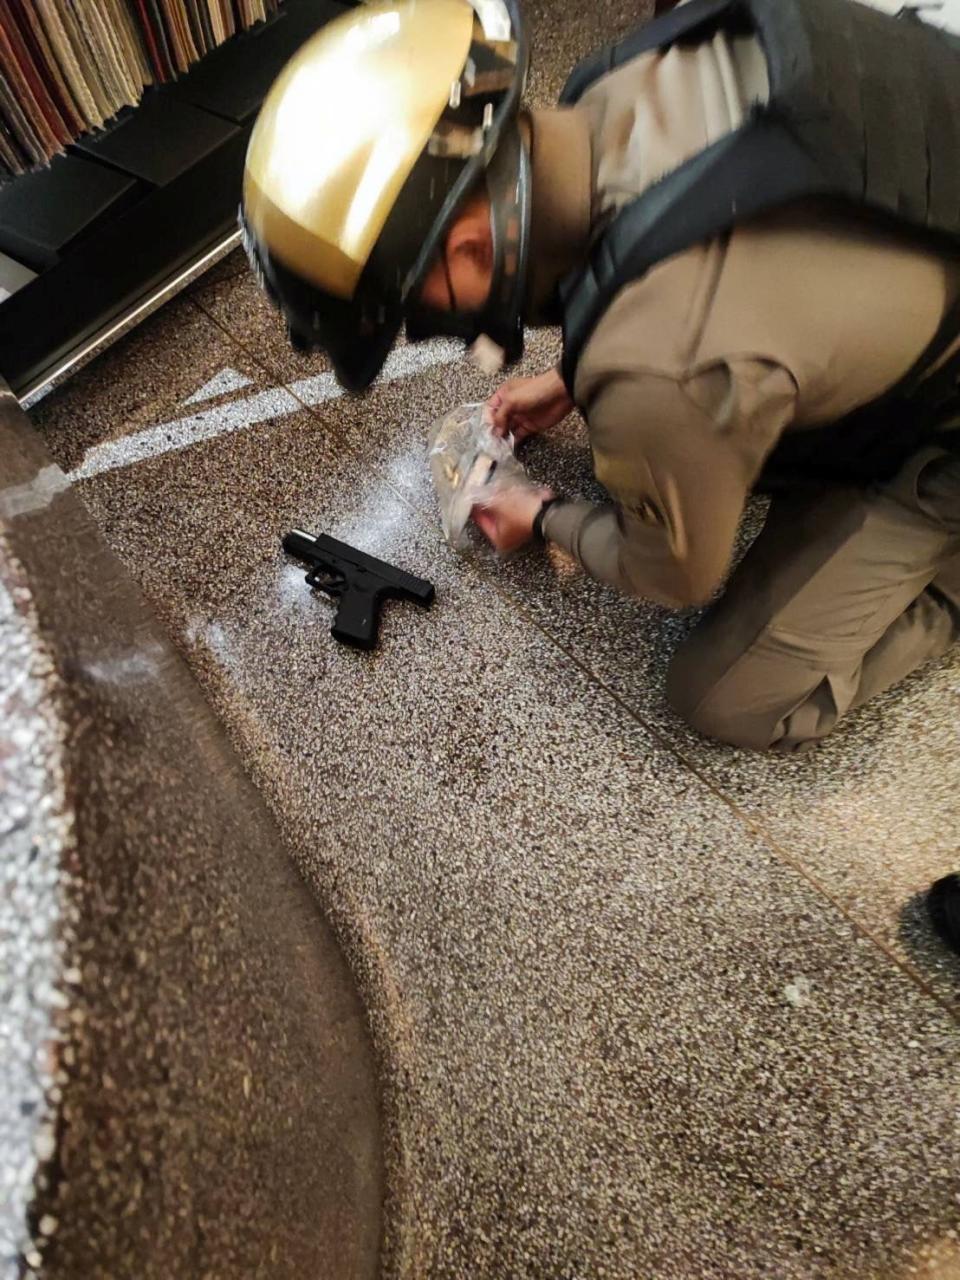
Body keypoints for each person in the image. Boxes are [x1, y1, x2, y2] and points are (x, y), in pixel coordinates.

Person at [241, 0, 960, 752]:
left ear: (470, 251)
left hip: (942, 430)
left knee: (722, 698)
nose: (423, 332)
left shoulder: (655, 368)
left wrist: (541, 512)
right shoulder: (614, 83)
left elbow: (678, 572)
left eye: (408, 311)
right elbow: (682, 251)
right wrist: (576, 380)